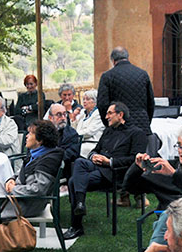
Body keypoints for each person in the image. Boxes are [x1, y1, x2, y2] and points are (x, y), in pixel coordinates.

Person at [0, 120, 63, 251]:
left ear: (40, 141)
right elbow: (22, 172)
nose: (27, 136)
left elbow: (38, 190)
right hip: (17, 192)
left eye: (30, 134)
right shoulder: (37, 153)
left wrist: (14, 189)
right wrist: (12, 179)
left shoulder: (49, 160)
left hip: (29, 201)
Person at [63, 102, 148, 239]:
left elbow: (135, 159)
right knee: (79, 161)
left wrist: (110, 162)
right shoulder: (109, 130)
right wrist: (93, 156)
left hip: (115, 172)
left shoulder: (137, 133)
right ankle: (80, 204)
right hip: (98, 167)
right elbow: (95, 149)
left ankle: (77, 225)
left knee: (73, 181)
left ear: (120, 115)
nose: (106, 116)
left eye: (110, 113)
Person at [96, 46, 155, 135]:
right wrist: (146, 121)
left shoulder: (107, 76)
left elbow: (102, 104)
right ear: (127, 57)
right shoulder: (143, 74)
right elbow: (150, 102)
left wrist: (109, 122)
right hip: (142, 125)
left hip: (119, 126)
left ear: (113, 60)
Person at [71, 89, 104, 157]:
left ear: (95, 101)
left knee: (72, 151)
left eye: (87, 99)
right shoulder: (82, 113)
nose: (84, 101)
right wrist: (74, 118)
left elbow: (89, 132)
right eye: (83, 99)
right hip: (80, 142)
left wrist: (74, 135)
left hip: (91, 144)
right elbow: (73, 129)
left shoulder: (98, 114)